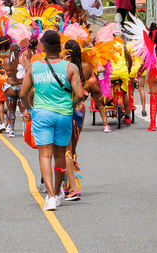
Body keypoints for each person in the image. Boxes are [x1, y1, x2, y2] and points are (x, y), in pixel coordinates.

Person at [20, 31, 83, 211]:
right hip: (64, 114)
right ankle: (58, 192)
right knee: (60, 156)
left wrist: (29, 109)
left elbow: (23, 93)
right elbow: (79, 94)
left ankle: (51, 197)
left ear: (44, 47)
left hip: (41, 115)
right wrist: (70, 106)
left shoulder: (34, 67)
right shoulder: (70, 68)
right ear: (60, 47)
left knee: (45, 155)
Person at [62, 40, 86, 201]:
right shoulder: (84, 67)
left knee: (65, 150)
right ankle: (71, 183)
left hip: (68, 107)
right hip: (80, 108)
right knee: (73, 149)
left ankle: (69, 186)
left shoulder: (64, 68)